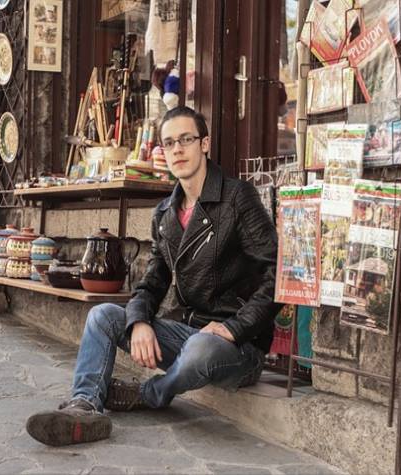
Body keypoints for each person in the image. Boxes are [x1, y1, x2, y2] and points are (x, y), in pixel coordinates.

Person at [26, 106, 282, 447]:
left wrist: (235, 328)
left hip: (238, 348)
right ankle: (84, 406)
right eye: (169, 143)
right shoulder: (164, 214)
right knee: (103, 316)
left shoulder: (237, 197)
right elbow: (152, 282)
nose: (178, 149)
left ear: (205, 144)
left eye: (186, 139)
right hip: (187, 333)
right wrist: (139, 321)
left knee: (201, 347)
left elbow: (277, 273)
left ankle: (149, 394)